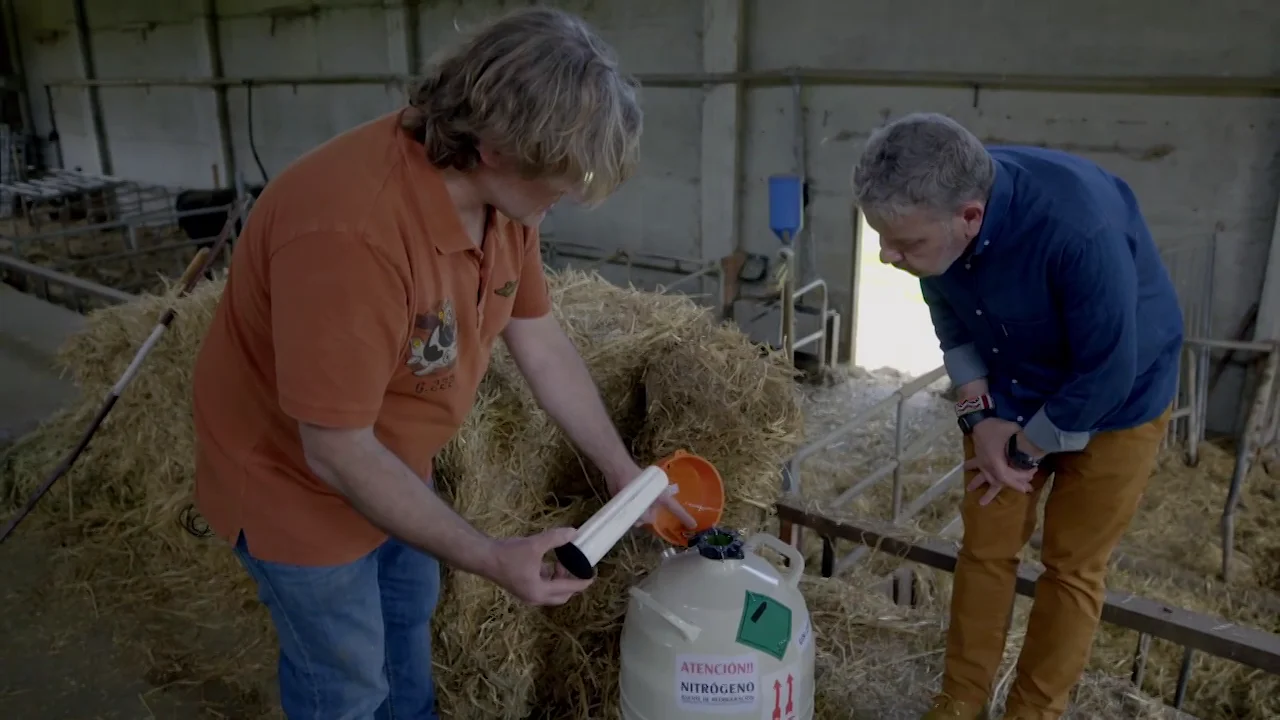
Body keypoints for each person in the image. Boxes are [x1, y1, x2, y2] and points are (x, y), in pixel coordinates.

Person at [190, 8, 692, 719]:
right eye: (560, 179)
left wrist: (621, 472)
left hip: (396, 462)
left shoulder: (507, 205)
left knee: (405, 628)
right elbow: (334, 450)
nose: (569, 198)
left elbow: (540, 342)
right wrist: (490, 557)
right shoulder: (352, 234)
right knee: (347, 682)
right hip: (296, 484)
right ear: (493, 147)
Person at [850, 113, 1183, 720]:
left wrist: (1024, 450)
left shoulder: (1077, 229)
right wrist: (979, 419)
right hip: (1012, 383)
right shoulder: (935, 218)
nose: (885, 256)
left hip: (1118, 399)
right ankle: (959, 702)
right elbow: (950, 320)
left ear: (970, 217)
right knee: (986, 546)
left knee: (1072, 566)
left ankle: (1033, 712)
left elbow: (1107, 370)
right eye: (879, 236)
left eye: (904, 244)